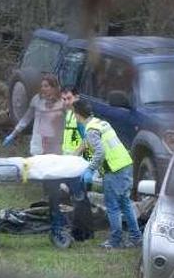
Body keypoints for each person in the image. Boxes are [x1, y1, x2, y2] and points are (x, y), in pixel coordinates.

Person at [3, 74, 71, 245]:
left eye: (47, 86)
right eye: (42, 86)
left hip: (56, 145)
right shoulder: (36, 100)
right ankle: (50, 209)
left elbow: (73, 124)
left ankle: (59, 210)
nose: (43, 89)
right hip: (39, 144)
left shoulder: (63, 103)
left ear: (55, 87)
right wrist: (13, 134)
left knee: (56, 179)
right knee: (44, 178)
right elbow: (26, 119)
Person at [74, 99, 142, 249]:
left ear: (78, 115)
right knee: (125, 204)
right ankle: (136, 237)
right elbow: (87, 142)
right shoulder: (100, 123)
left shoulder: (91, 130)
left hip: (114, 169)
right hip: (125, 164)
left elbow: (100, 152)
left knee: (113, 207)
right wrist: (73, 156)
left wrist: (90, 170)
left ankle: (115, 241)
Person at [60, 86, 93, 242]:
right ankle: (83, 231)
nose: (66, 102)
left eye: (69, 98)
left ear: (77, 98)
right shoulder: (68, 114)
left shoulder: (79, 116)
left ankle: (82, 233)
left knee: (80, 198)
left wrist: (76, 154)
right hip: (69, 162)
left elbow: (87, 139)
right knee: (78, 198)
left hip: (78, 163)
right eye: (64, 99)